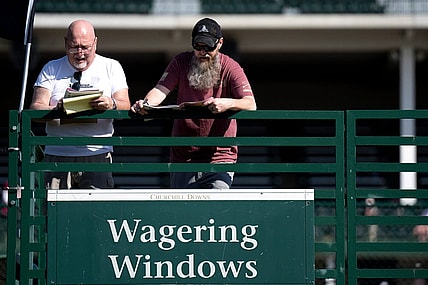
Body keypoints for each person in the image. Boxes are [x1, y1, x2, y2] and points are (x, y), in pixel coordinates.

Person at [131, 17, 256, 189]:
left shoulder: (231, 67)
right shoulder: (181, 62)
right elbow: (161, 90)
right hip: (183, 157)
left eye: (208, 46)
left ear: (220, 43)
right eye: (198, 46)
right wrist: (145, 104)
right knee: (183, 212)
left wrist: (226, 104)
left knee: (216, 211)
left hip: (219, 157)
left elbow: (250, 103)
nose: (203, 52)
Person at [29, 19, 130, 189]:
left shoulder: (111, 66)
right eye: (74, 47)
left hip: (97, 152)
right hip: (58, 153)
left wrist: (110, 103)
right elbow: (36, 107)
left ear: (95, 43)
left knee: (97, 212)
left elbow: (125, 104)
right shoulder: (51, 68)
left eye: (85, 47)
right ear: (65, 43)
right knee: (54, 212)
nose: (80, 53)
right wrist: (57, 110)